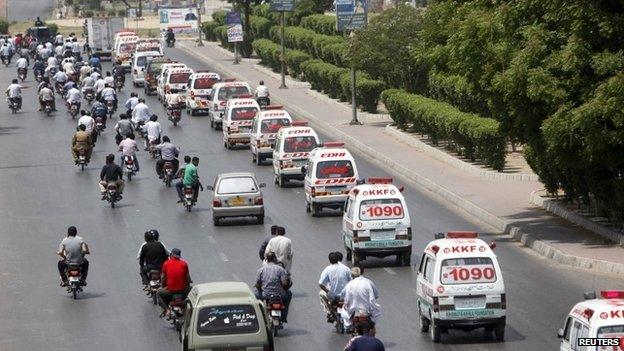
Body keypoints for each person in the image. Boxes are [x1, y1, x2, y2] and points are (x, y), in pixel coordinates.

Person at [255, 251, 292, 323]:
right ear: (275, 259)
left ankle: (260, 316)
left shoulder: (261, 270)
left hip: (265, 295)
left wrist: (259, 288)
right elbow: (285, 284)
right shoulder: (281, 269)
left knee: (256, 295)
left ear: (266, 259)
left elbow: (258, 284)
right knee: (289, 294)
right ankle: (284, 316)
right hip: (280, 294)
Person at [158, 248, 192, 317]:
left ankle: (167, 310)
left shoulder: (166, 263)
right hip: (182, 290)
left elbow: (163, 278)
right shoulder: (184, 264)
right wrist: (188, 284)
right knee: (192, 292)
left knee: (158, 293)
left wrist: (163, 286)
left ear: (171, 255)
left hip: (170, 290)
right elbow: (188, 278)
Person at [319, 251, 352, 322]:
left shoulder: (327, 269)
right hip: (345, 295)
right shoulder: (346, 269)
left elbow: (321, 284)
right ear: (338, 259)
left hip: (333, 296)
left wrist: (328, 292)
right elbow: (351, 282)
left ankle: (329, 312)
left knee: (321, 294)